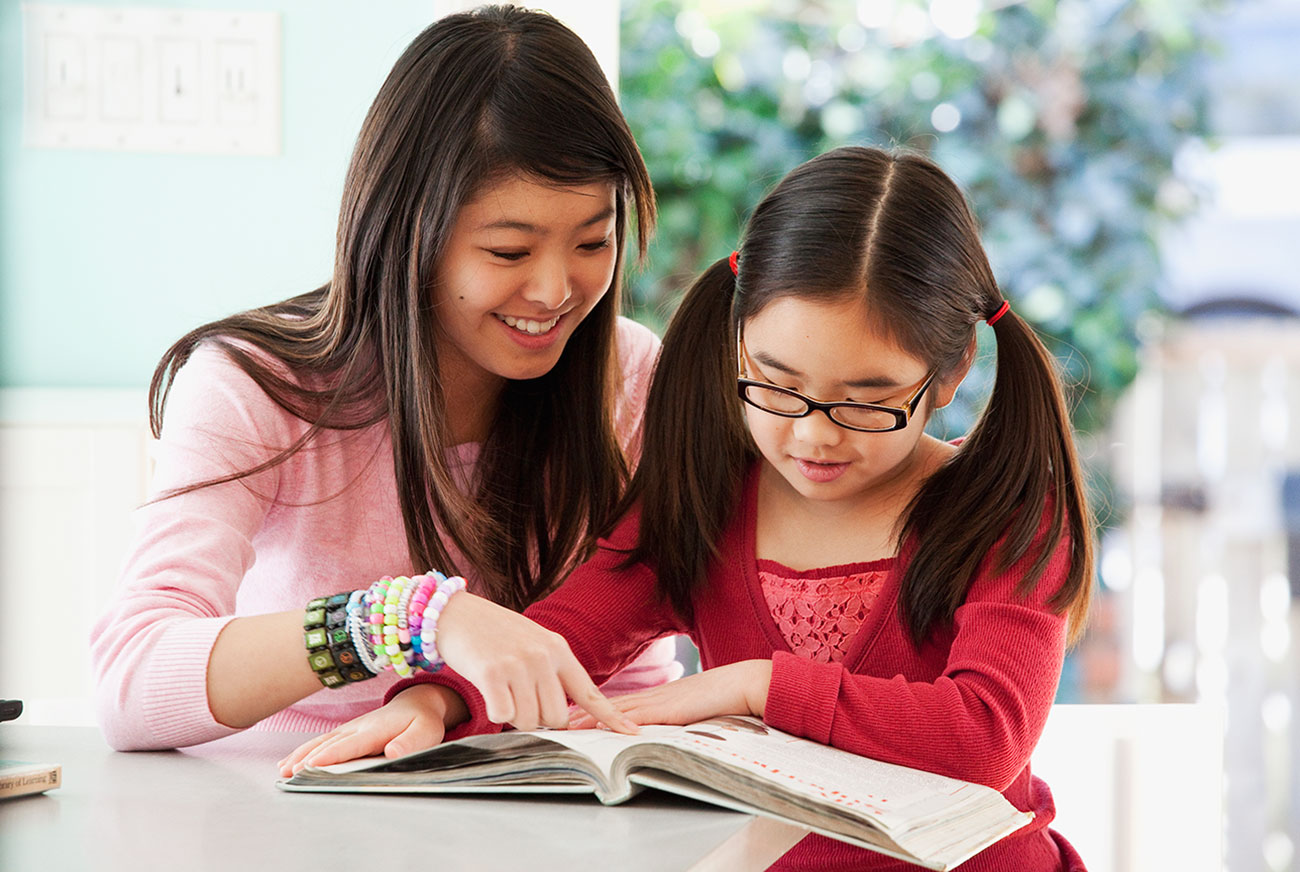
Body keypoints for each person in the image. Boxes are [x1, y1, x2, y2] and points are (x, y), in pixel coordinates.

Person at [281, 145, 1094, 871]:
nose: (811, 435)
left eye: (865, 401)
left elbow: (985, 738)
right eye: (777, 385)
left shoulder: (1007, 514)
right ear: (738, 340)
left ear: (948, 377)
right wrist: (441, 698)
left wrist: (755, 686)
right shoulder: (704, 495)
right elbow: (571, 632)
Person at [89, 4, 681, 752]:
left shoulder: (627, 375)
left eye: (593, 242)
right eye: (508, 252)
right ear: (408, 233)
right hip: (285, 808)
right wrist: (398, 620)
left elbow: (625, 682)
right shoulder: (254, 387)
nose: (556, 290)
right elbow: (130, 683)